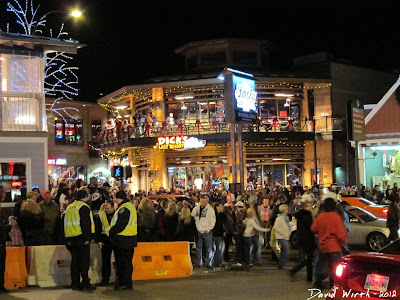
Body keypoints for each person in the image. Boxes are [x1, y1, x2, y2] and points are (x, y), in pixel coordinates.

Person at [311, 197, 348, 289]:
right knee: (335, 266)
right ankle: (334, 283)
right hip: (334, 246)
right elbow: (340, 233)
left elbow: (313, 228)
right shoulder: (336, 217)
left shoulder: (321, 216)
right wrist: (344, 240)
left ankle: (318, 281)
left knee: (321, 264)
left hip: (323, 245)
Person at [63, 189, 96, 291]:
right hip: (81, 238)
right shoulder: (83, 207)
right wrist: (88, 238)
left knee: (75, 262)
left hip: (71, 239)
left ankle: (75, 283)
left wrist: (66, 239)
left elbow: (64, 223)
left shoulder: (69, 207)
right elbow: (86, 224)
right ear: (84, 197)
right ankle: (86, 283)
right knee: (84, 262)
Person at [109, 191, 137, 291]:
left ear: (118, 198)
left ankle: (124, 283)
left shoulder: (123, 208)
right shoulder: (130, 206)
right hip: (130, 239)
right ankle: (127, 282)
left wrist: (111, 231)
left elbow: (121, 224)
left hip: (123, 239)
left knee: (122, 263)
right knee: (127, 262)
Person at [289, 200, 316, 282]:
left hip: (302, 238)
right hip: (307, 238)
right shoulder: (307, 216)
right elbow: (311, 227)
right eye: (309, 206)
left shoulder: (300, 216)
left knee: (309, 258)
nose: (311, 207)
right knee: (309, 258)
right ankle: (295, 270)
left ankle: (309, 276)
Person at [191, 195, 216, 268]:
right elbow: (193, 217)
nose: (204, 203)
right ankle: (199, 263)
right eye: (203, 201)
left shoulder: (210, 210)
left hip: (206, 231)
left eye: (206, 201)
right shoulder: (196, 209)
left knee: (209, 248)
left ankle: (209, 263)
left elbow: (213, 221)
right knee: (198, 248)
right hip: (199, 231)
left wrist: (209, 228)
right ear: (200, 201)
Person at [95, 200, 115, 286]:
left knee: (118, 260)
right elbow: (97, 229)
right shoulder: (101, 215)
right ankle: (105, 279)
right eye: (106, 208)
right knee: (105, 261)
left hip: (115, 239)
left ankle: (118, 278)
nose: (107, 210)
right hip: (105, 240)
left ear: (113, 207)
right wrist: (98, 241)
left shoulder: (117, 214)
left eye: (109, 208)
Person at [274, 204, 291, 269]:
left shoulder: (286, 218)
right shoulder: (280, 218)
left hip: (285, 236)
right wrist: (284, 233)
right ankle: (281, 263)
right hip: (281, 236)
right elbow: (276, 227)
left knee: (284, 250)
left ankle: (281, 264)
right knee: (286, 250)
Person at [212, 203, 226, 267]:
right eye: (220, 206)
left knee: (219, 249)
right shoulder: (213, 215)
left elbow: (223, 224)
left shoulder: (222, 215)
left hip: (220, 234)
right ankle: (216, 262)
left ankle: (218, 261)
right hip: (215, 233)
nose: (221, 208)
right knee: (216, 249)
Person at [0, 212, 10, 293]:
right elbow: (3, 228)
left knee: (2, 266)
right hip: (1, 244)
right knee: (1, 266)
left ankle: (1, 286)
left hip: (2, 244)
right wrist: (9, 226)